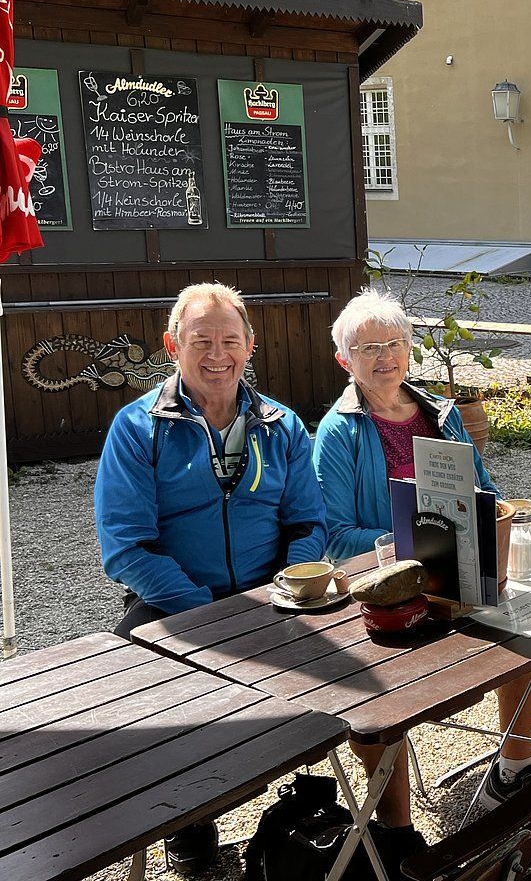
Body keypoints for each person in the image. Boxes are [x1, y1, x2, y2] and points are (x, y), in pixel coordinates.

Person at [312, 289, 531, 823]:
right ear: (343, 360)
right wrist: (415, 544)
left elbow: (486, 493)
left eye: (394, 342)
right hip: (401, 592)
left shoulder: (439, 413)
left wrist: (508, 522)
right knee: (522, 624)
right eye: (367, 347)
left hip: (466, 570)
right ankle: (515, 770)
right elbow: (334, 536)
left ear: (411, 349)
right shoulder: (339, 431)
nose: (384, 356)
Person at [95, 282, 327, 873]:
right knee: (152, 706)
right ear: (173, 345)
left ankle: (309, 800)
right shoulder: (135, 426)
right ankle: (185, 814)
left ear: (251, 347)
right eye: (202, 341)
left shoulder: (283, 425)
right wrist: (204, 611)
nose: (216, 354)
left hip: (271, 597)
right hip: (175, 604)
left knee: (356, 682)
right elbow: (126, 547)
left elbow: (307, 524)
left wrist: (281, 591)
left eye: (230, 340)